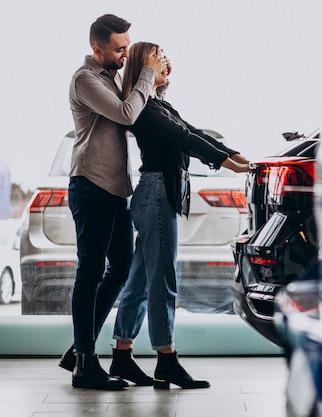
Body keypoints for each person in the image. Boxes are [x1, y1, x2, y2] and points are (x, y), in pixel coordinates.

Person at [111, 41, 251, 390]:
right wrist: (227, 162)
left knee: (142, 280)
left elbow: (194, 132)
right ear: (144, 67)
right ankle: (166, 360)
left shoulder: (160, 104)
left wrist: (235, 157)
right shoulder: (146, 109)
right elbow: (185, 137)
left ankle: (122, 354)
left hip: (157, 195)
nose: (166, 62)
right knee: (162, 280)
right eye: (158, 58)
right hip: (157, 195)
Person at [61, 14, 166, 390]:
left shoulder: (111, 79)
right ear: (97, 48)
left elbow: (136, 115)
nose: (125, 54)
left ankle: (78, 349)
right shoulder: (85, 79)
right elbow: (125, 112)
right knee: (89, 273)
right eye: (119, 48)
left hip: (114, 189)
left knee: (120, 269)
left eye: (127, 47)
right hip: (91, 186)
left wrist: (158, 83)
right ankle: (84, 366)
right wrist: (146, 76)